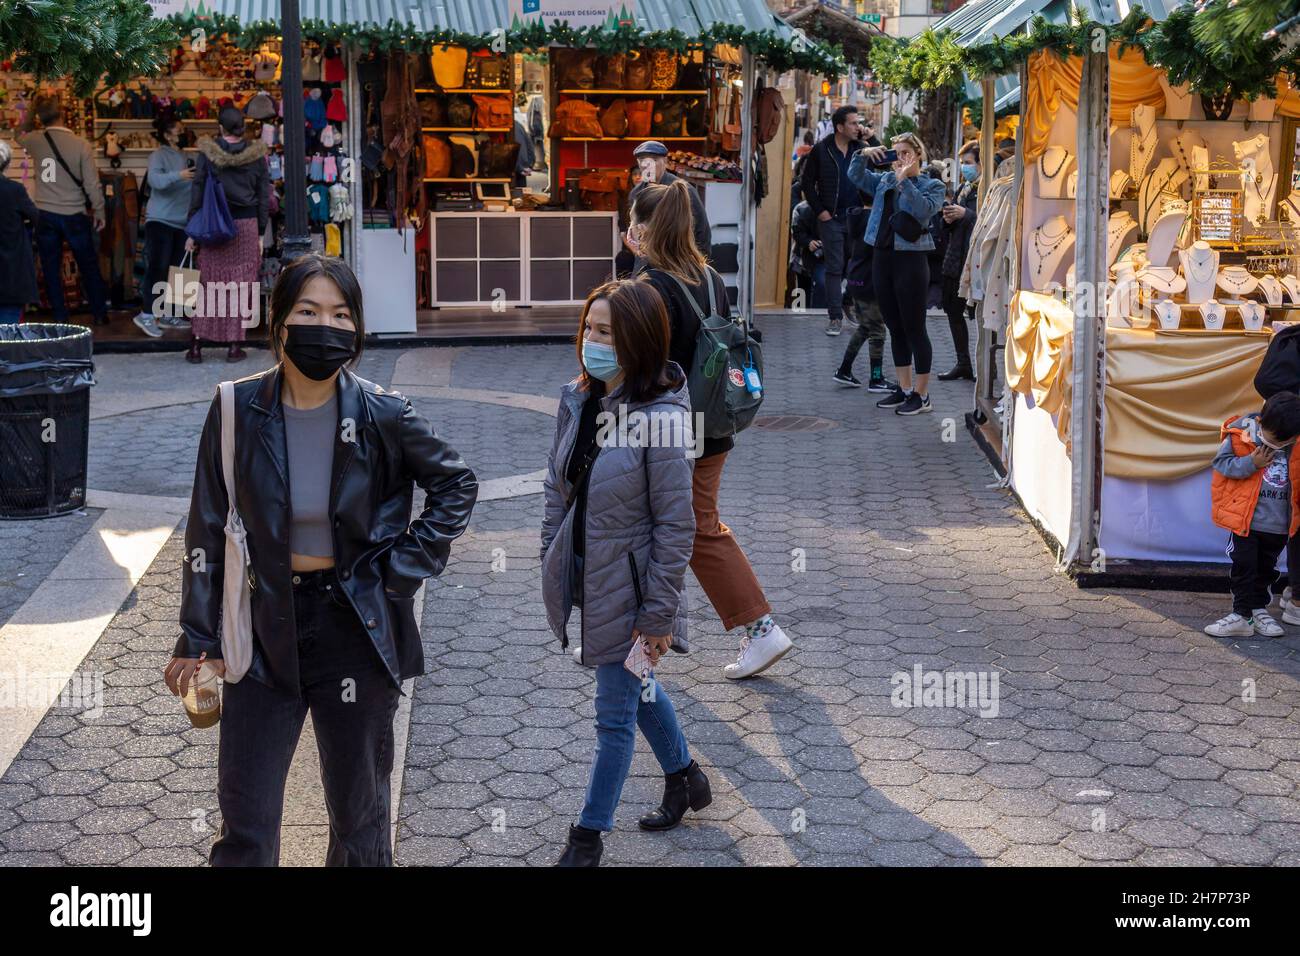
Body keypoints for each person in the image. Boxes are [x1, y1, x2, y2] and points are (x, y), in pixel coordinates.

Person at [164, 254, 478, 866]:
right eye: (307, 310)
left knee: (359, 822)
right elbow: (206, 527)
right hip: (262, 631)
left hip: (354, 629)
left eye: (340, 314)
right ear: (278, 321)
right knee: (246, 823)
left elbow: (456, 484)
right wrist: (197, 635)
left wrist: (400, 567)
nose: (324, 326)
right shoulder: (235, 409)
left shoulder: (384, 414)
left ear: (356, 331)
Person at [542, 278, 708, 867]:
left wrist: (658, 614)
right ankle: (685, 777)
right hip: (593, 579)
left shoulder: (662, 418)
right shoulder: (579, 398)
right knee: (636, 687)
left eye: (607, 331)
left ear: (638, 340)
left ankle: (586, 839)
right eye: (590, 326)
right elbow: (556, 488)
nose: (593, 339)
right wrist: (551, 559)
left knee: (612, 716)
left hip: (637, 595)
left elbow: (676, 526)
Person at [632, 180, 796, 679]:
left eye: (633, 220)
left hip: (668, 433)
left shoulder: (650, 286)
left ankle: (760, 627)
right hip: (713, 426)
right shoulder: (707, 275)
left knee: (688, 529)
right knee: (671, 528)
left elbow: (644, 366)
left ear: (644, 227)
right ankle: (638, 641)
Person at [851, 133, 948, 416]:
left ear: (918, 154)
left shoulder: (933, 185)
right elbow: (855, 176)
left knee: (915, 327)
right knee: (894, 326)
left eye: (906, 152)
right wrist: (863, 155)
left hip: (911, 259)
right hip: (882, 256)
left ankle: (922, 394)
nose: (900, 158)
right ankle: (904, 389)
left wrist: (905, 181)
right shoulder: (884, 181)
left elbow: (924, 210)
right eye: (896, 153)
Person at [1205, 392, 1300, 638]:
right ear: (1260, 423)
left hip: (1279, 525)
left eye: (1283, 442)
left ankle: (1258, 610)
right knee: (1244, 566)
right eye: (1271, 439)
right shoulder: (1240, 433)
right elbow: (1222, 465)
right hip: (1246, 522)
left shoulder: (1295, 442)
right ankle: (1241, 614)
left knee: (1266, 569)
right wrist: (1251, 463)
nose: (1276, 445)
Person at [185, 105, 269, 364]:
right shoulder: (257, 156)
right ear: (243, 127)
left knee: (208, 284)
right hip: (245, 225)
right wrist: (261, 233)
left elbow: (197, 189)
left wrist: (192, 229)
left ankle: (197, 345)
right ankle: (234, 346)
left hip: (213, 225)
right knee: (240, 285)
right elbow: (263, 196)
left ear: (220, 127)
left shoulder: (208, 155)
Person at [19, 95, 109, 327]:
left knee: (50, 266)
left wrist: (32, 110)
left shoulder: (35, 140)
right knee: (88, 264)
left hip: (45, 212)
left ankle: (60, 314)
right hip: (74, 213)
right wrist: (99, 211)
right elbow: (91, 183)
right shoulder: (81, 144)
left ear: (41, 118)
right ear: (62, 115)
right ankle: (99, 313)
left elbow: (20, 133)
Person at [799, 105, 880, 336]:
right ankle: (835, 317)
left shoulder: (861, 147)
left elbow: (884, 160)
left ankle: (847, 301)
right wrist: (820, 211)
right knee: (834, 268)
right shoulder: (821, 150)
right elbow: (806, 183)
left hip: (856, 216)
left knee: (857, 266)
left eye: (858, 122)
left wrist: (871, 137)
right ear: (840, 127)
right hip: (831, 218)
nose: (858, 126)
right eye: (853, 123)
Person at [133, 116, 195, 338]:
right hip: (160, 220)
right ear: (168, 134)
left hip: (182, 222)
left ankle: (172, 313)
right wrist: (181, 175)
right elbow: (155, 181)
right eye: (179, 130)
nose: (184, 133)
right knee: (158, 268)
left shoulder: (185, 156)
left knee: (182, 270)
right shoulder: (158, 155)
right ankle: (147, 314)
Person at [620, 140, 710, 275]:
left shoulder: (682, 190)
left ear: (665, 162)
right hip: (644, 267)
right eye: (642, 160)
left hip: (676, 266)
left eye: (654, 160)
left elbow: (702, 232)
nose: (648, 165)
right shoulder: (636, 193)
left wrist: (698, 270)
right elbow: (632, 230)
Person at [832, 206, 894, 392]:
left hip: (857, 279)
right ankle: (876, 379)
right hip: (870, 281)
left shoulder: (858, 217)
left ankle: (844, 370)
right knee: (877, 331)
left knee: (866, 328)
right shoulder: (874, 220)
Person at [938, 145, 981, 381]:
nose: (965, 167)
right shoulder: (963, 189)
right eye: (963, 162)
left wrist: (967, 214)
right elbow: (950, 225)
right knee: (953, 310)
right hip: (955, 258)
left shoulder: (987, 190)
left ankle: (986, 366)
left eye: (969, 162)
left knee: (982, 316)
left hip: (976, 261)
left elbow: (985, 222)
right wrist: (948, 216)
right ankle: (963, 361)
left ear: (981, 164)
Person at [0, 140, 40, 322]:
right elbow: (35, 217)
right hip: (11, 269)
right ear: (7, 163)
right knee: (8, 328)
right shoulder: (14, 190)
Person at [789, 199, 826, 309]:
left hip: (820, 258)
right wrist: (808, 242)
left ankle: (811, 316)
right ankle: (799, 316)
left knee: (819, 287)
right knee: (801, 288)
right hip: (801, 258)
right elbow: (796, 231)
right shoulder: (801, 208)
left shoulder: (833, 206)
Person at [512, 117, 535, 189]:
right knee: (520, 196)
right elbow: (529, 146)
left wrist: (521, 167)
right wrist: (529, 164)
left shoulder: (512, 127)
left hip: (515, 168)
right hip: (521, 167)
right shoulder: (518, 125)